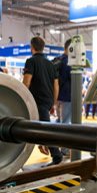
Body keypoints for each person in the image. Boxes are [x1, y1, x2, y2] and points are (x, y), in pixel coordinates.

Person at [23, 36, 62, 166]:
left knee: (44, 129)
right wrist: (54, 103)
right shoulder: (51, 64)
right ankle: (46, 147)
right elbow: (56, 85)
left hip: (36, 100)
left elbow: (27, 82)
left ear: (32, 47)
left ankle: (56, 155)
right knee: (41, 128)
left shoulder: (30, 61)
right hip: (47, 101)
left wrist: (22, 97)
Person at [55, 39, 72, 156]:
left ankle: (60, 147)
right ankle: (64, 150)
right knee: (66, 123)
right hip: (68, 96)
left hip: (58, 95)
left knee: (60, 122)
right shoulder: (69, 63)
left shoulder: (58, 60)